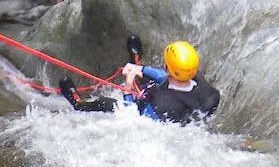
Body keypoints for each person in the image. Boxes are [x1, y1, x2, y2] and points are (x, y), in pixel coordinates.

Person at [58, 37, 220, 125]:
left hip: (154, 119)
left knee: (102, 102)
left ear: (166, 67)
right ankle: (136, 63)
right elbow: (167, 76)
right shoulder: (199, 80)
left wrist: (127, 88)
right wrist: (141, 70)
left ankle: (78, 103)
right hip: (180, 111)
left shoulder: (159, 103)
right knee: (149, 79)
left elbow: (132, 115)